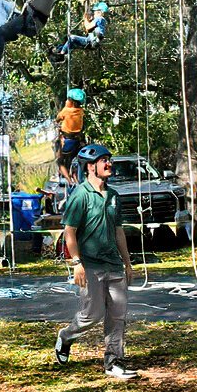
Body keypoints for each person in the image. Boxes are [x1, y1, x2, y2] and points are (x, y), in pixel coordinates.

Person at [50, 143, 139, 379]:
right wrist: (76, 263)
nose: (109, 164)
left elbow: (118, 231)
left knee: (117, 315)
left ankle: (114, 362)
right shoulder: (80, 195)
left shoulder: (113, 196)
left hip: (114, 265)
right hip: (90, 265)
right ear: (91, 167)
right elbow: (69, 231)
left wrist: (127, 262)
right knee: (92, 314)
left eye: (109, 159)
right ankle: (66, 336)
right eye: (104, 161)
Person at [54, 89, 87, 184]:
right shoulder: (80, 111)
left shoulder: (66, 110)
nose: (65, 101)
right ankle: (76, 178)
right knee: (76, 160)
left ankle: (69, 181)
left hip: (67, 140)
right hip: (78, 140)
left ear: (71, 102)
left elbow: (57, 119)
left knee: (59, 161)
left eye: (67, 99)